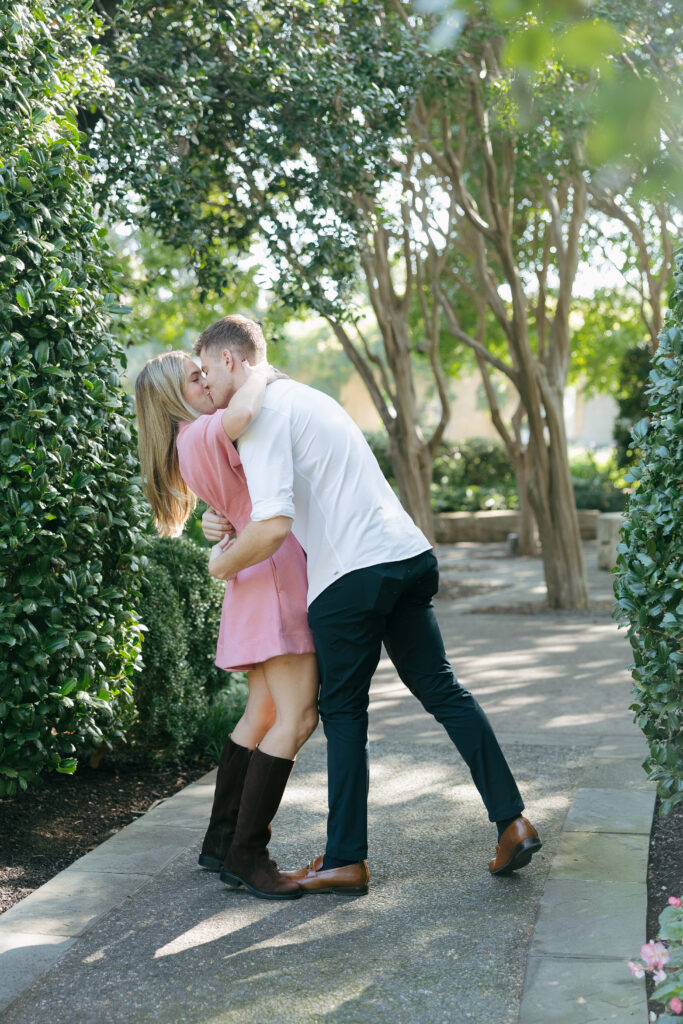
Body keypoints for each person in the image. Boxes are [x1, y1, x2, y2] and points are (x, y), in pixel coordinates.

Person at [199, 314, 541, 896]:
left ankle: (346, 859)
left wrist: (220, 564)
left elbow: (275, 525)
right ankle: (514, 822)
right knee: (443, 690)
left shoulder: (261, 418)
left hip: (349, 576)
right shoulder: (312, 399)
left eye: (207, 370)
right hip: (408, 555)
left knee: (344, 714)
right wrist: (223, 520)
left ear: (230, 360)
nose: (206, 383)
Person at [134, 349, 319, 901]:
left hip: (253, 577)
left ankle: (220, 843)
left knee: (262, 712)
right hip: (274, 574)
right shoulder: (202, 432)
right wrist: (259, 371)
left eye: (205, 372)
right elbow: (243, 412)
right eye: (195, 378)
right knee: (298, 717)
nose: (208, 381)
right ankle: (247, 856)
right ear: (174, 397)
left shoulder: (188, 443)